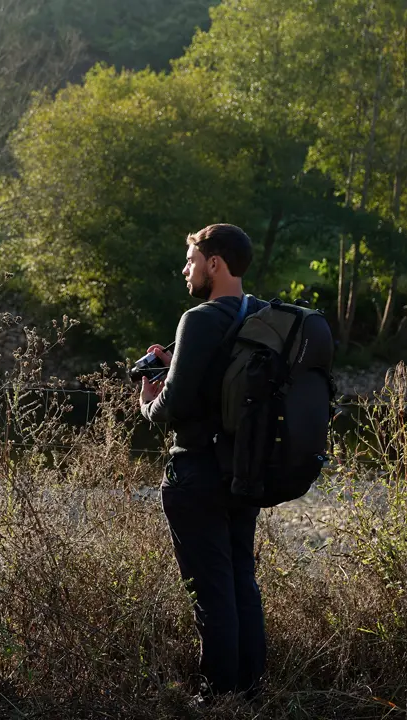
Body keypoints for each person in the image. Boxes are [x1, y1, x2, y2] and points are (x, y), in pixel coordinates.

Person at [139, 223, 263, 700]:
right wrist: (178, 361)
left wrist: (147, 401)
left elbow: (172, 407)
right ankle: (250, 690)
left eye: (191, 260)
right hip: (244, 471)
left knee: (210, 589)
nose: (185, 269)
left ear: (215, 263)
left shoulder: (200, 317)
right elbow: (223, 381)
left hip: (197, 471)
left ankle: (215, 696)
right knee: (239, 579)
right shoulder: (260, 315)